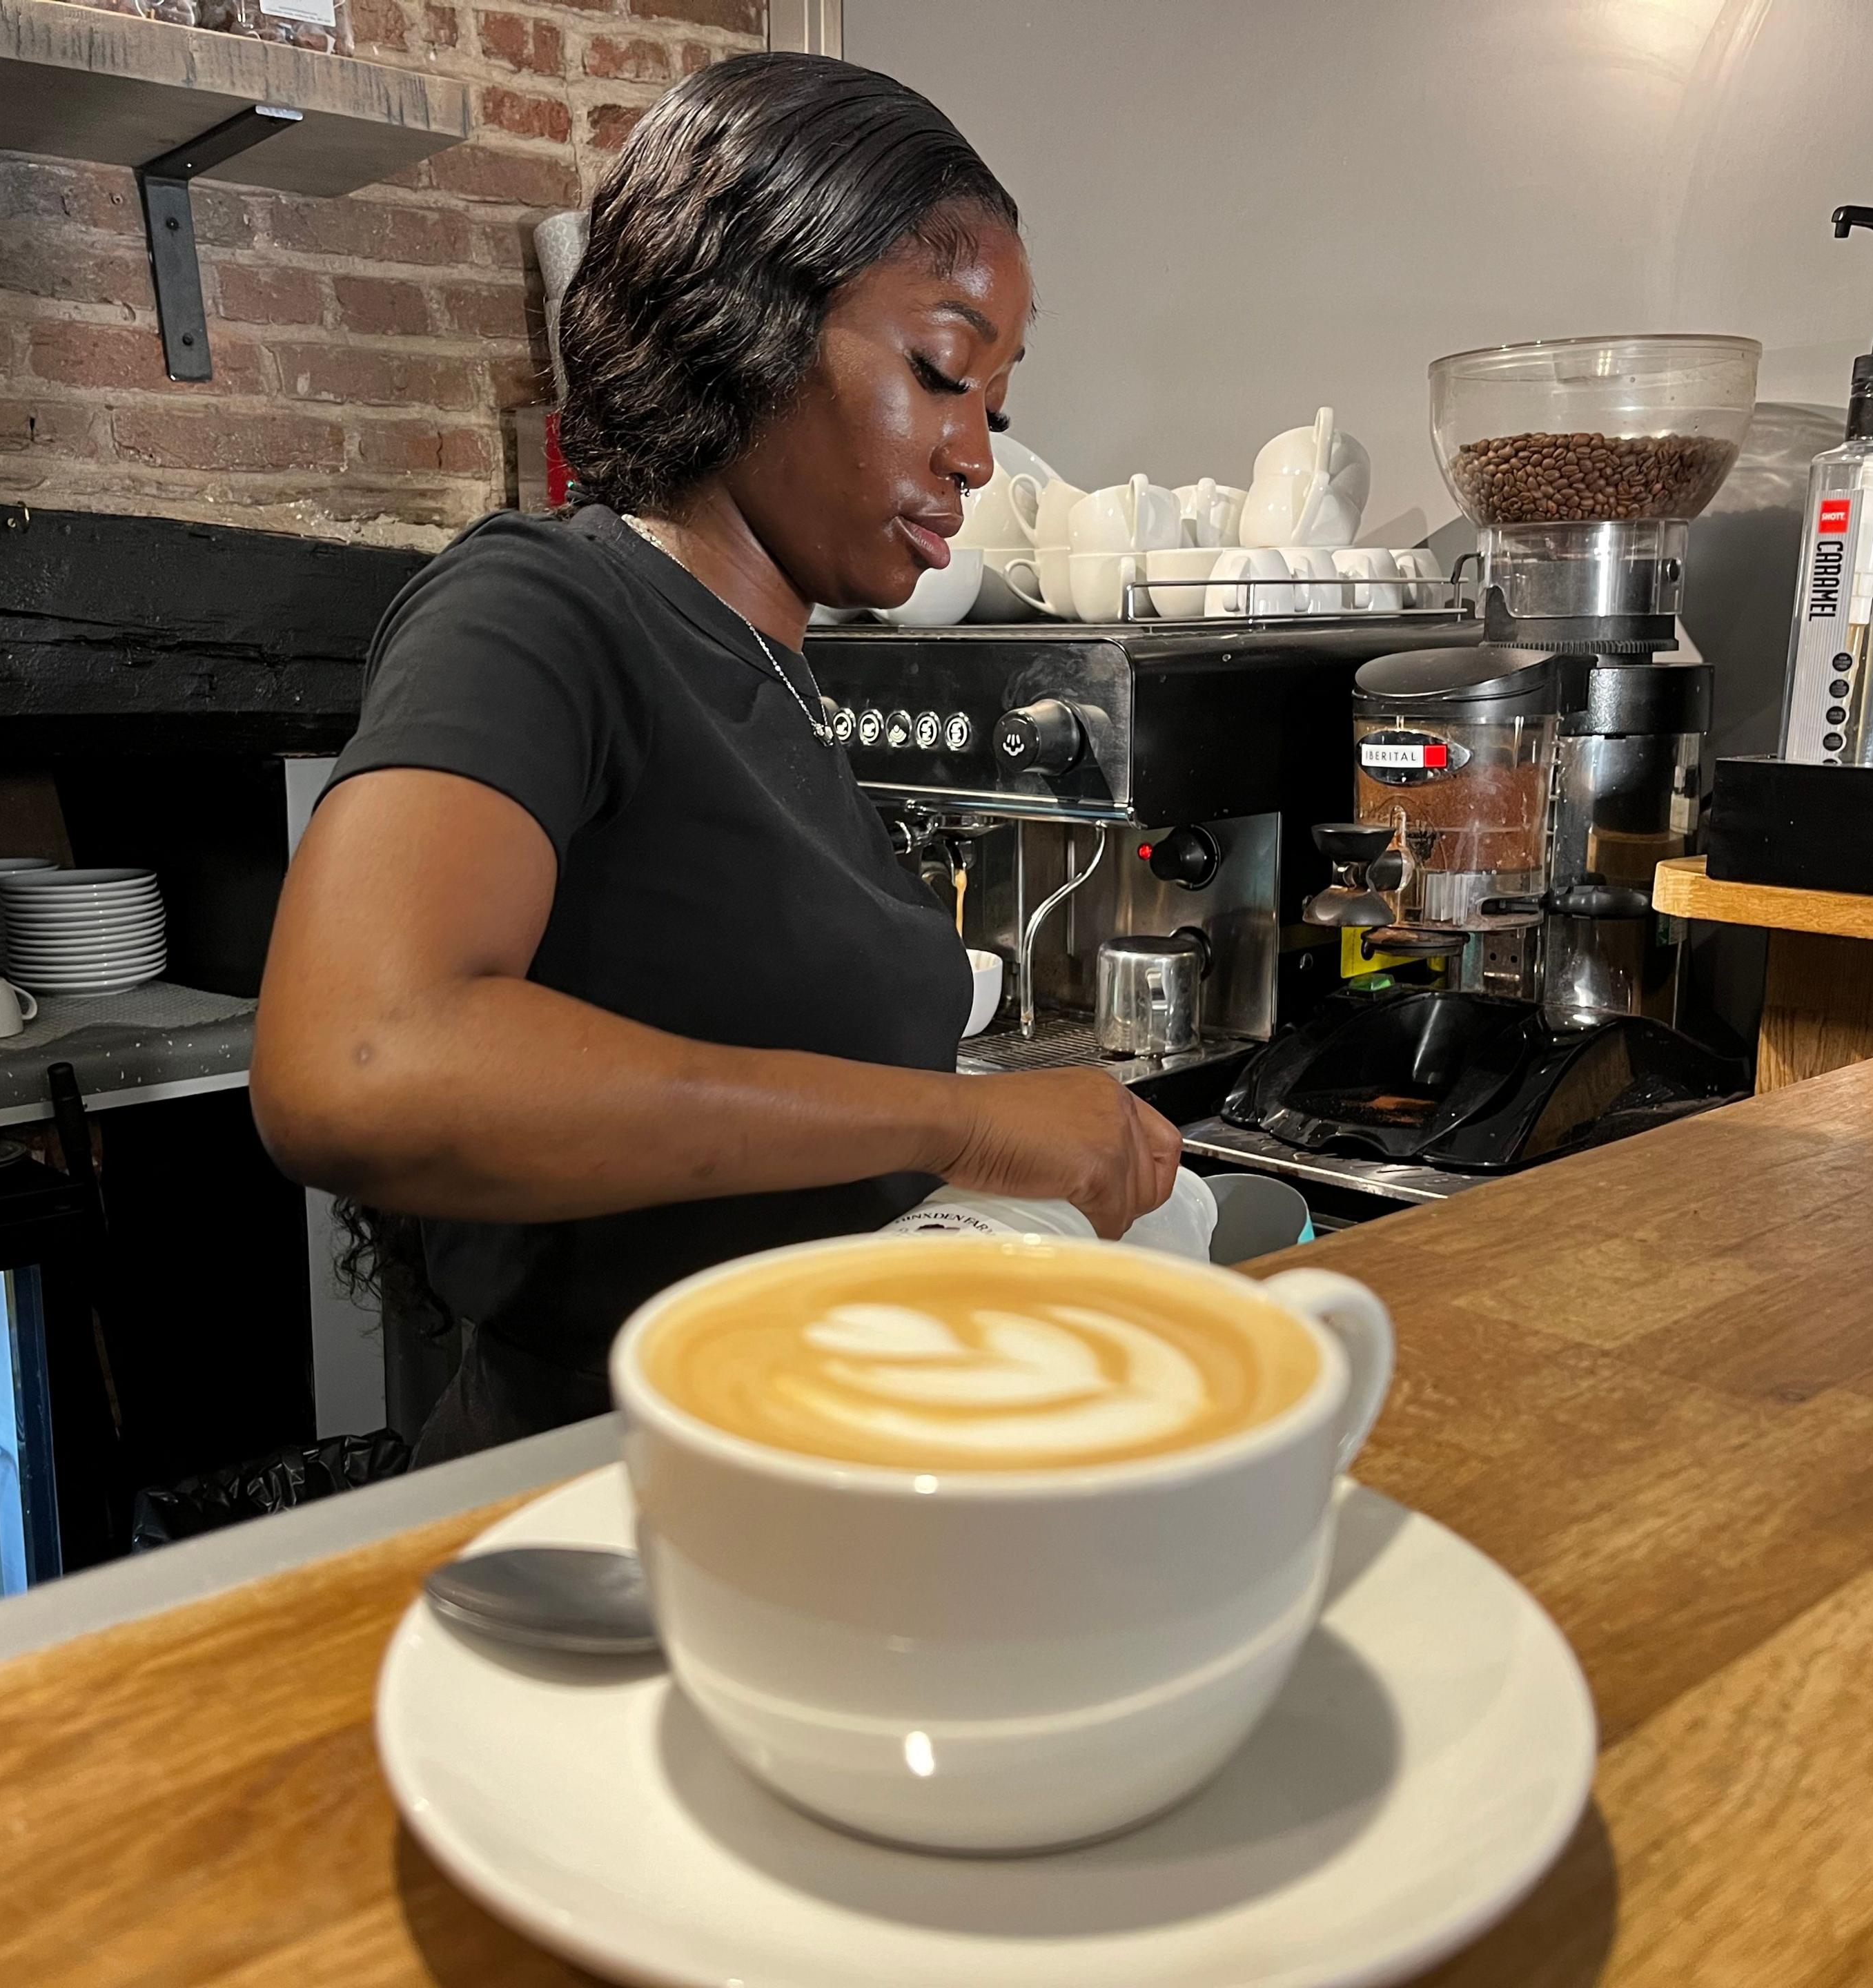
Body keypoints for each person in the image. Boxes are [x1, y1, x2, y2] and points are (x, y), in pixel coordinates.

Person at [253, 52, 1181, 1465]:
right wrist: (964, 1129)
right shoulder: (543, 606)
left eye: (992, 402)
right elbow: (360, 1062)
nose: (978, 455)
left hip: (801, 1460)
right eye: (940, 370)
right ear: (746, 321)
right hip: (601, 1494)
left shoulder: (778, 672)